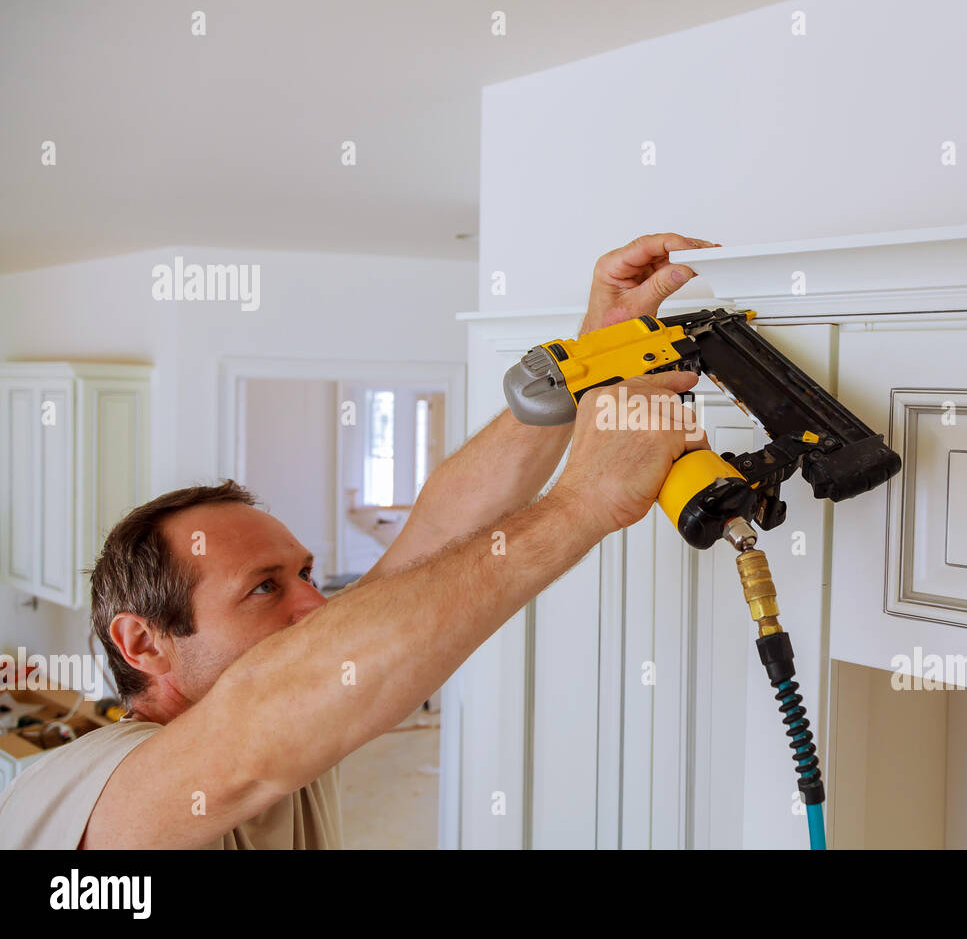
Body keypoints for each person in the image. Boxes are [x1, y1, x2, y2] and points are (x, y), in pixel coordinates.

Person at [0, 232, 717, 848]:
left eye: (304, 573)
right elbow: (245, 740)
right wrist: (584, 501)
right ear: (143, 643)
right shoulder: (89, 786)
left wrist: (594, 356)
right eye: (263, 588)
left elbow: (438, 531)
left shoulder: (300, 722)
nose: (315, 603)